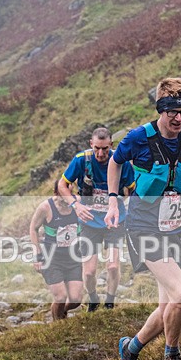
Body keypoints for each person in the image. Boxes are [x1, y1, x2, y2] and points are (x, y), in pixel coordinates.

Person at [105, 77, 181, 360]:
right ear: (160, 111)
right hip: (142, 227)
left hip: (173, 229)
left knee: (167, 303)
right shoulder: (139, 137)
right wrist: (113, 202)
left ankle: (131, 351)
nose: (178, 118)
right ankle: (172, 354)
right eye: (172, 113)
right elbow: (115, 163)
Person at [59, 127, 135, 312]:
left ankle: (109, 301)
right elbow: (62, 185)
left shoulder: (121, 162)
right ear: (91, 145)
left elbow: (133, 190)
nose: (101, 154)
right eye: (97, 149)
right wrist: (75, 205)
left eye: (105, 149)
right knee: (89, 271)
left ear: (111, 145)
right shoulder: (81, 160)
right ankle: (93, 298)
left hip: (114, 221)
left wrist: (127, 207)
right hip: (89, 221)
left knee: (112, 266)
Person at [29, 181, 84, 320]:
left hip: (73, 257)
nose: (67, 198)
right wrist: (37, 255)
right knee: (60, 297)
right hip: (51, 258)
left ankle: (60, 312)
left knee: (75, 300)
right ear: (55, 193)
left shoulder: (78, 203)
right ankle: (58, 325)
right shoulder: (46, 207)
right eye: (63, 195)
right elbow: (33, 228)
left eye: (70, 194)